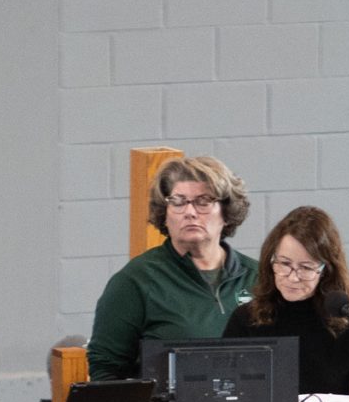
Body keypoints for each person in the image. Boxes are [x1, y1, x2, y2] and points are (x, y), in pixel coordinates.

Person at [223, 204, 349, 402]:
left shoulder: (348, 322)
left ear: (326, 270)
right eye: (284, 264)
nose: (293, 277)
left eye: (306, 267)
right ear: (270, 261)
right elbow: (224, 391)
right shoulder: (247, 319)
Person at [86, 154, 255, 382]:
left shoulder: (259, 277)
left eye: (203, 201)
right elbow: (105, 370)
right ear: (164, 215)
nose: (190, 212)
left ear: (226, 212)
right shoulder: (135, 281)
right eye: (178, 202)